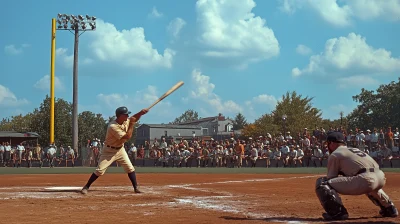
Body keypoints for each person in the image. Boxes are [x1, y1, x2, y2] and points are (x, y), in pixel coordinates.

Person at [315, 131, 398, 221]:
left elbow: (331, 178)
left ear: (332, 143)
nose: (328, 146)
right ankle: (389, 208)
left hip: (366, 180)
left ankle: (338, 213)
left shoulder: (335, 154)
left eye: (328, 143)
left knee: (322, 183)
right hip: (381, 177)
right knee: (369, 184)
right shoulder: (355, 150)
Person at [80, 106, 148, 194]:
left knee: (130, 168)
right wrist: (131, 124)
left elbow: (133, 118)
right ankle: (86, 187)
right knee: (100, 170)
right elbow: (127, 137)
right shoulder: (112, 126)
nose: (127, 116)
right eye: (125, 115)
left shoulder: (125, 121)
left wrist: (141, 113)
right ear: (120, 116)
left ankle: (136, 188)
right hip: (109, 151)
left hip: (120, 149)